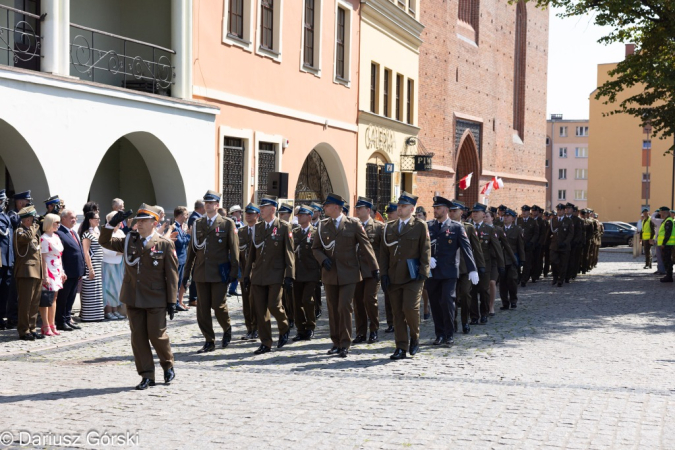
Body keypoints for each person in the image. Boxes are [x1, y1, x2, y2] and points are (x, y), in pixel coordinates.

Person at [101, 205, 178, 390]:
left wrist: (172, 301)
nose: (140, 224)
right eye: (138, 220)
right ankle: (147, 375)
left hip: (155, 297)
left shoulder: (164, 244)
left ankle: (168, 365)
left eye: (144, 221)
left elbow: (172, 274)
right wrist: (111, 224)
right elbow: (104, 241)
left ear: (154, 223)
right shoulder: (129, 240)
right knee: (138, 337)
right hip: (133, 296)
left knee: (157, 335)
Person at [312, 193, 377, 358]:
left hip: (349, 273)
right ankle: (336, 342)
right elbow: (316, 248)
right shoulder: (322, 225)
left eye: (326, 206)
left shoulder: (353, 224)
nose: (324, 208)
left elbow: (366, 245)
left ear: (336, 207)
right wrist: (323, 259)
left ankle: (345, 343)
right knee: (333, 309)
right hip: (330, 274)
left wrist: (374, 268)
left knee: (344, 307)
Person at [180, 191, 239, 353]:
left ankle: (227, 328)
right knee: (202, 309)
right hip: (201, 272)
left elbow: (234, 250)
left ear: (217, 205)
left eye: (211, 202)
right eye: (206, 202)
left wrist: (234, 272)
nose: (208, 205)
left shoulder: (226, 223)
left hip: (219, 272)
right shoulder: (198, 223)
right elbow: (192, 250)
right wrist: (186, 274)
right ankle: (209, 340)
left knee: (218, 306)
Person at [380, 192, 430, 360]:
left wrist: (423, 272)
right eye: (399, 206)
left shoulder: (420, 226)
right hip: (394, 276)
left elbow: (425, 250)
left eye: (403, 206)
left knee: (410, 308)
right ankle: (401, 346)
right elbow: (384, 253)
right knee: (397, 313)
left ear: (411, 209)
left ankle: (415, 337)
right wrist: (384, 274)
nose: (399, 209)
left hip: (413, 276)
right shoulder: (389, 226)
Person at [244, 195, 293, 355]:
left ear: (273, 209)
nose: (261, 210)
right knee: (260, 310)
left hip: (275, 274)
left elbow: (289, 253)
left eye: (264, 207)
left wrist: (289, 276)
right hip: (258, 275)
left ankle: (284, 327)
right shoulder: (258, 228)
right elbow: (252, 253)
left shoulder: (284, 227)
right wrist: (246, 275)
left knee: (274, 305)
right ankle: (266, 342)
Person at [426, 197, 478, 345]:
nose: (435, 210)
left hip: (449, 272)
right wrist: (428, 258)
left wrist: (472, 269)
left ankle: (449, 334)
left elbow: (466, 249)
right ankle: (440, 334)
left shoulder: (456, 227)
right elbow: (421, 247)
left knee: (448, 302)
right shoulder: (428, 226)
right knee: (435, 304)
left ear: (446, 210)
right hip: (433, 272)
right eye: (434, 207)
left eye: (438, 208)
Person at [353, 197, 383, 344]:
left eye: (360, 208)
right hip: (356, 271)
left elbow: (384, 251)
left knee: (369, 299)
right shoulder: (352, 226)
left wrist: (381, 269)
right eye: (357, 208)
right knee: (357, 302)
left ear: (368, 210)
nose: (357, 210)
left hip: (372, 271)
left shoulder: (378, 227)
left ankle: (374, 330)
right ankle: (360, 332)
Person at [451, 200, 484, 335]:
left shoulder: (469, 228)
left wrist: (479, 266)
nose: (452, 213)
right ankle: (452, 323)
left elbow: (477, 248)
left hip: (465, 268)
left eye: (455, 211)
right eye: (450, 210)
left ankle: (465, 321)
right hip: (451, 268)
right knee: (451, 298)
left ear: (461, 212)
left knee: (465, 295)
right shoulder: (445, 226)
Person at [470, 203, 504, 325]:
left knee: (484, 290)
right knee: (471, 291)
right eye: (473, 212)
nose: (474, 213)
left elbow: (497, 248)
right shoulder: (468, 228)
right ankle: (474, 316)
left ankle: (484, 313)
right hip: (471, 264)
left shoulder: (489, 229)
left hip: (485, 265)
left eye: (477, 212)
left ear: (483, 214)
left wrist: (501, 265)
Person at [14, 205, 44, 340]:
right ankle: (23, 330)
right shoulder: (19, 232)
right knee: (25, 303)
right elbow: (26, 239)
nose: (34, 221)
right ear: (27, 219)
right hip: (26, 271)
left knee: (34, 303)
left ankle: (32, 328)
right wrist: (33, 228)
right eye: (32, 219)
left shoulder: (34, 232)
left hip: (36, 271)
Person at [291, 205, 321, 341]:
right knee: (296, 303)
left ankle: (310, 327)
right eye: (298, 215)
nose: (299, 217)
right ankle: (300, 329)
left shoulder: (316, 233)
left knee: (307, 300)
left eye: (302, 215)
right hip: (296, 272)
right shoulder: (294, 233)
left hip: (311, 273)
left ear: (309, 217)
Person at [54, 209, 85, 332]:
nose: (74, 220)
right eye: (71, 217)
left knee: (71, 297)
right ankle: (61, 321)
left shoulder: (73, 232)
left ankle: (67, 318)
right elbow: (60, 254)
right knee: (63, 298)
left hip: (76, 271)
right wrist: (63, 271)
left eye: (75, 217)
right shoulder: (59, 233)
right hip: (67, 272)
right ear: (63, 219)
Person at [38, 213, 66, 336]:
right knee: (46, 298)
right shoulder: (44, 238)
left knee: (54, 297)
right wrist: (45, 275)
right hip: (48, 269)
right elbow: (43, 258)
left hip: (57, 268)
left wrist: (62, 270)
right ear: (50, 223)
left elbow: (60, 255)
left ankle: (51, 323)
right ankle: (45, 324)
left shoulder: (56, 236)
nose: (58, 225)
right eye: (56, 223)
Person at [238, 203, 259, 340]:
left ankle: (257, 327)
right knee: (246, 302)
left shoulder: (262, 230)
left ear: (257, 215)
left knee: (256, 301)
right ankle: (249, 328)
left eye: (251, 213)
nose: (248, 215)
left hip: (257, 273)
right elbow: (237, 253)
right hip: (244, 272)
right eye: (246, 213)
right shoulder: (241, 232)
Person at [486, 210, 514, 315]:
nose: (485, 218)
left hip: (494, 260)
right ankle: (484, 304)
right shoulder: (478, 229)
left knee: (492, 282)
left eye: (487, 216)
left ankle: (491, 305)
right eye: (484, 216)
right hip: (482, 260)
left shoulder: (498, 230)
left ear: (492, 218)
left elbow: (506, 246)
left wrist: (514, 260)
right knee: (483, 286)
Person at [78, 211, 104, 322]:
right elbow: (86, 252)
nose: (98, 220)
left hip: (98, 264)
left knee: (96, 290)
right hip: (91, 264)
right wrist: (90, 268)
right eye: (96, 218)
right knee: (90, 290)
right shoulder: (86, 234)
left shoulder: (97, 233)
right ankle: (89, 315)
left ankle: (97, 315)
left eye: (99, 218)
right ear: (90, 220)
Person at [101, 211, 126, 320]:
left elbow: (125, 245)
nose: (119, 224)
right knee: (109, 288)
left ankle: (115, 310)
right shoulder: (106, 232)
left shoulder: (120, 233)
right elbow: (104, 248)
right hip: (109, 262)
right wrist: (119, 252)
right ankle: (108, 311)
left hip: (119, 262)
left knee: (118, 288)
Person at [500, 209, 526, 309]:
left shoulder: (517, 229)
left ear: (513, 218)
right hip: (501, 259)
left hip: (512, 259)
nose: (505, 218)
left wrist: (522, 259)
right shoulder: (499, 229)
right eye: (504, 216)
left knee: (512, 280)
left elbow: (520, 245)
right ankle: (505, 303)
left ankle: (513, 300)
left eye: (508, 216)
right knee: (502, 282)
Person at [0, 189, 17, 330]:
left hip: (7, 259)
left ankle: (1, 317)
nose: (3, 204)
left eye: (4, 202)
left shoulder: (6, 216)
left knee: (5, 290)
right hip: (0, 260)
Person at [278, 203, 296, 326]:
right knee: (282, 296)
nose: (280, 216)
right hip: (280, 268)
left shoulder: (294, 228)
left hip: (292, 267)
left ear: (289, 214)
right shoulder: (278, 228)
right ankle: (286, 316)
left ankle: (292, 317)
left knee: (291, 296)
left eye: (283, 214)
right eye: (279, 214)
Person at [382, 202, 399, 333]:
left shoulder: (407, 227)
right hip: (389, 269)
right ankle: (391, 323)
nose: (389, 216)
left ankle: (401, 321)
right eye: (388, 214)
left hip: (403, 269)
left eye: (391, 213)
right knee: (388, 299)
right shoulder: (385, 228)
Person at [169, 206, 191, 311]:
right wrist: (188, 235)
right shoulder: (175, 227)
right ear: (181, 215)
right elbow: (180, 243)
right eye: (186, 214)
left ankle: (177, 302)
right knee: (176, 282)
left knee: (180, 281)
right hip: (177, 258)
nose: (187, 217)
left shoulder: (181, 226)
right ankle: (174, 303)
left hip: (182, 258)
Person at [549, 203, 574, 287]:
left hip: (564, 246)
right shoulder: (553, 220)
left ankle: (561, 279)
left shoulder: (568, 221)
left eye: (561, 210)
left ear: (564, 211)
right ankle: (555, 277)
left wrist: (565, 242)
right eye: (558, 210)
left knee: (563, 264)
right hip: (554, 245)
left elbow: (570, 234)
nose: (559, 212)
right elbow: (549, 232)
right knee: (553, 261)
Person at [186, 200, 205, 307]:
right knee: (194, 274)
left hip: (197, 249)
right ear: (201, 208)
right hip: (195, 249)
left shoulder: (196, 217)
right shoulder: (194, 218)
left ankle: (195, 297)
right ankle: (193, 298)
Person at [517, 205, 539, 287]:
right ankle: (518, 277)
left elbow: (536, 234)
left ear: (528, 212)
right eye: (523, 211)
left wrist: (532, 242)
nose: (524, 213)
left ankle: (524, 279)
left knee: (527, 263)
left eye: (525, 211)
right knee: (518, 263)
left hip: (528, 246)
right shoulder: (518, 221)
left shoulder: (533, 221)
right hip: (519, 246)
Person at [656, 206, 674, 282]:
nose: (659, 214)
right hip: (667, 244)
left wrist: (664, 243)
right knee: (666, 260)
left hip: (668, 244)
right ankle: (668, 275)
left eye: (660, 212)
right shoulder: (666, 220)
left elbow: (668, 233)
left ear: (664, 212)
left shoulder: (668, 221)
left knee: (668, 260)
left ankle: (669, 276)